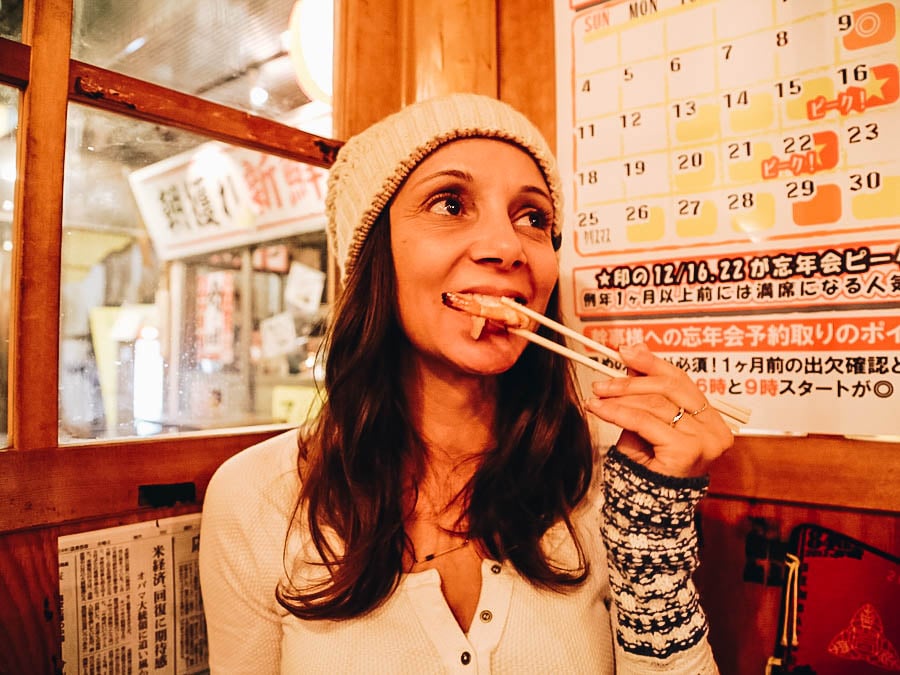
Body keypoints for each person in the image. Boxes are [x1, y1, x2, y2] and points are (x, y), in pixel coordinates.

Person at [199, 93, 733, 673]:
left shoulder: (609, 478)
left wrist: (649, 538)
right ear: (373, 255)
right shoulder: (259, 496)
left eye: (533, 218)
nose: (508, 247)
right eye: (450, 204)